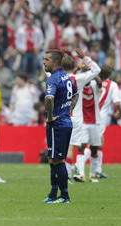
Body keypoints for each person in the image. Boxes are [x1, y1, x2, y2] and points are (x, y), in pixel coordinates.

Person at [61, 49, 101, 181]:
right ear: (74, 67)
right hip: (77, 119)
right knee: (78, 147)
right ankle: (78, 172)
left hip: (62, 117)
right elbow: (96, 70)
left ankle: (65, 175)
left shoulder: (56, 79)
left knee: (65, 147)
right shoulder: (79, 79)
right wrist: (84, 57)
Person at [43, 49, 76, 204]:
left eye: (46, 59)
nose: (44, 62)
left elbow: (49, 98)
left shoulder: (53, 79)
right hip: (64, 121)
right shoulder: (68, 77)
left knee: (58, 160)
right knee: (52, 159)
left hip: (57, 124)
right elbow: (75, 95)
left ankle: (64, 196)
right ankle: (53, 193)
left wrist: (50, 117)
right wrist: (69, 110)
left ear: (55, 62)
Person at [96, 65, 121, 178]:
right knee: (95, 143)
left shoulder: (94, 82)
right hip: (101, 117)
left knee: (99, 141)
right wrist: (120, 112)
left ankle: (98, 169)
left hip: (88, 114)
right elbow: (117, 102)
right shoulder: (113, 85)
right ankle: (77, 166)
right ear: (109, 75)